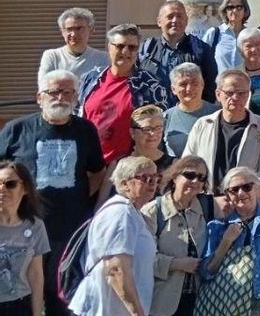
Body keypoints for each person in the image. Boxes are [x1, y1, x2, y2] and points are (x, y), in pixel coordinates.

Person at [0, 70, 104, 316]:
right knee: (20, 293)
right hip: (22, 230)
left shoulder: (86, 130)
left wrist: (77, 201)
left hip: (67, 231)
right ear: (39, 97)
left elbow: (98, 172)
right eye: (54, 92)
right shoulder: (17, 129)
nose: (60, 97)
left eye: (67, 92)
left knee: (60, 298)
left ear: (76, 97)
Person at [69, 156, 158, 316]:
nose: (152, 183)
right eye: (144, 178)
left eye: (155, 178)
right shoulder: (121, 213)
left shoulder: (131, 212)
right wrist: (137, 312)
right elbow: (116, 268)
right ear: (124, 184)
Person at [200, 167, 260, 316]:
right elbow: (207, 272)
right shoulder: (217, 227)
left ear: (256, 188)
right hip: (226, 304)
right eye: (234, 190)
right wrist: (226, 241)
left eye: (247, 187)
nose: (241, 193)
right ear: (227, 195)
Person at [79, 23, 170, 164]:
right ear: (109, 47)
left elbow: (159, 130)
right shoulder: (90, 79)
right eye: (120, 46)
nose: (126, 52)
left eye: (132, 48)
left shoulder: (150, 86)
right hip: (90, 165)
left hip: (130, 168)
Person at [182, 69, 260, 195]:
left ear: (248, 95)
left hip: (246, 204)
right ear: (218, 94)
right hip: (207, 202)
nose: (235, 98)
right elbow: (188, 163)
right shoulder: (202, 125)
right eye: (230, 93)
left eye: (241, 93)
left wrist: (244, 196)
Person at [142, 156, 210, 316]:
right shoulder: (153, 211)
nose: (195, 181)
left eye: (201, 178)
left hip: (198, 302)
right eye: (190, 175)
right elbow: (141, 259)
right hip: (161, 302)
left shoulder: (208, 208)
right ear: (174, 176)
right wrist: (176, 264)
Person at [140, 0, 219, 102]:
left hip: (190, 115)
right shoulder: (145, 49)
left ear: (186, 21)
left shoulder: (202, 49)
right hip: (153, 115)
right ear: (159, 21)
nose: (175, 20)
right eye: (170, 16)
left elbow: (210, 87)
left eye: (179, 16)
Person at [0, 161, 50, 316]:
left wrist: (37, 313)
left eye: (10, 184)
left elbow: (36, 275)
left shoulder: (35, 226)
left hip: (19, 307)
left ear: (25, 189)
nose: (2, 189)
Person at [38, 7, 107, 86]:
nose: (73, 34)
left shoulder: (102, 58)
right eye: (69, 29)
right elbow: (44, 86)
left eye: (79, 28)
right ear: (62, 32)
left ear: (91, 30)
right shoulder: (52, 56)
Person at [163, 63, 218, 158]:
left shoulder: (218, 114)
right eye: (183, 84)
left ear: (202, 85)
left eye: (194, 83)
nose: (189, 89)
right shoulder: (165, 118)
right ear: (173, 89)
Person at [201, 0, 251, 74]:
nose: (234, 11)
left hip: (244, 85)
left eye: (239, 7)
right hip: (219, 85)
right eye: (230, 7)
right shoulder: (214, 34)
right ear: (225, 11)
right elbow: (201, 60)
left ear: (245, 10)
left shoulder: (250, 36)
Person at [130, 104, 173, 173]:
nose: (153, 133)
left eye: (158, 128)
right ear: (132, 132)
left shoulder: (174, 165)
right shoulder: (119, 164)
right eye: (147, 129)